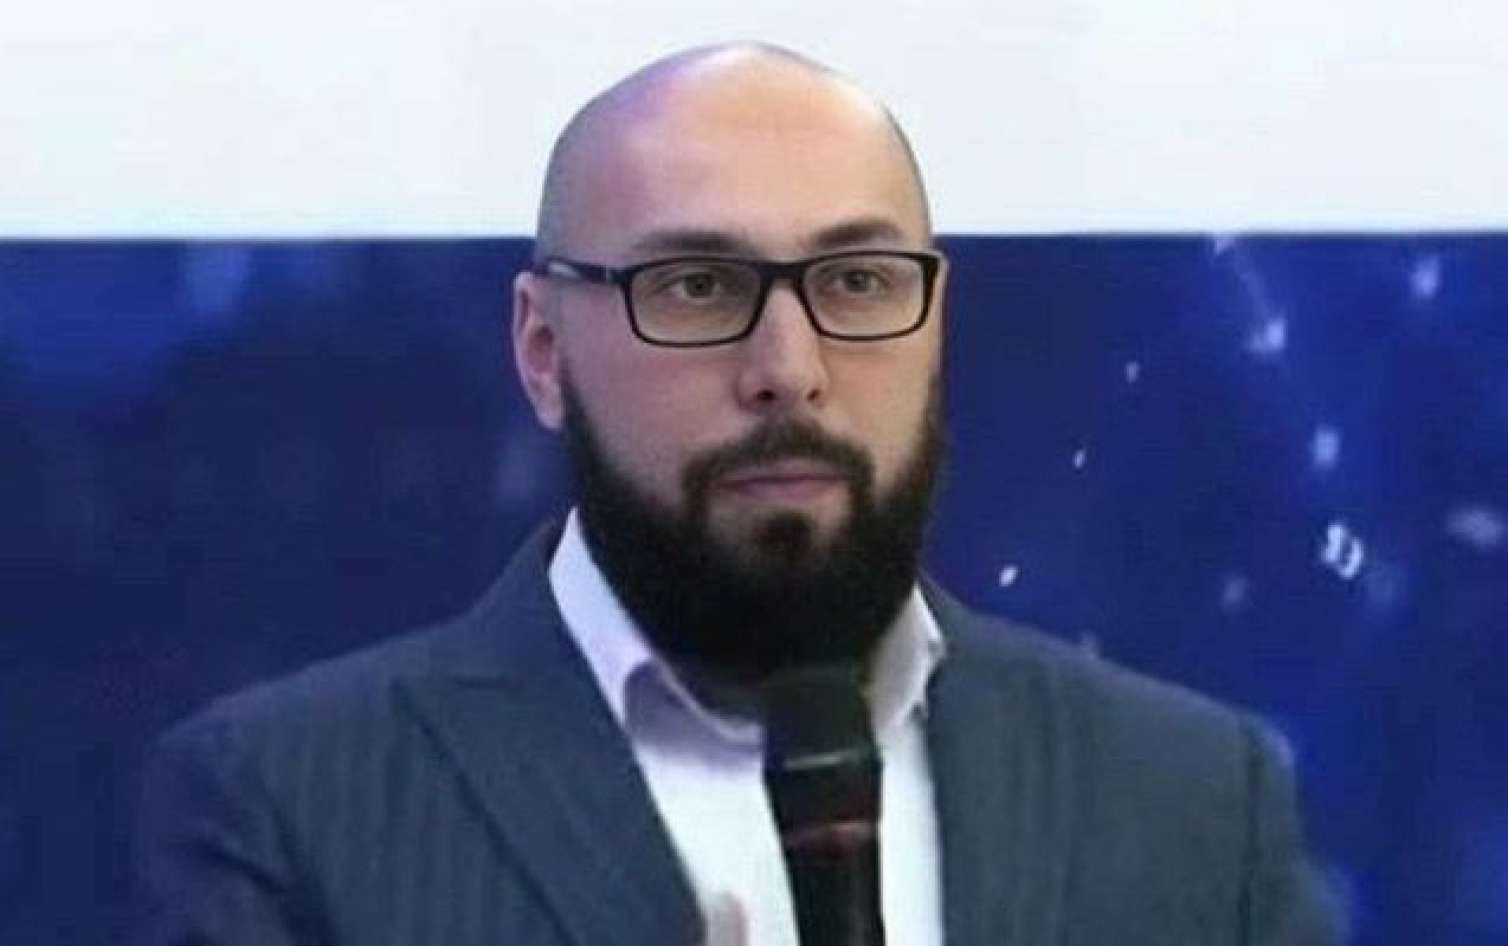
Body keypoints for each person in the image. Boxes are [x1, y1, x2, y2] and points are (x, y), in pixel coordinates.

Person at [135, 43, 1340, 946]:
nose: (788, 369)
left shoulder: (1192, 797)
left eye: (856, 281)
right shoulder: (288, 808)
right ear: (543, 352)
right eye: (698, 288)